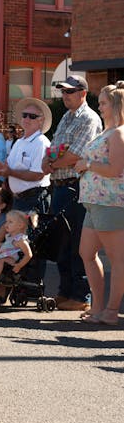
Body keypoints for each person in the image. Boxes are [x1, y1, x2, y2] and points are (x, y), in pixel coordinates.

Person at [42, 75, 102, 312]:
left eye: (70, 91)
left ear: (83, 93)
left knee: (78, 242)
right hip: (60, 186)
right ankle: (66, 292)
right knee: (62, 243)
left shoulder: (89, 118)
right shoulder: (66, 117)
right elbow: (54, 149)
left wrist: (52, 163)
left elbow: (75, 155)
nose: (65, 96)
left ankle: (80, 295)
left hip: (76, 187)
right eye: (63, 92)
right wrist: (49, 160)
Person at [74, 81, 124, 326]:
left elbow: (115, 169)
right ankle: (98, 307)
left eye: (103, 103)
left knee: (117, 259)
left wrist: (88, 165)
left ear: (115, 105)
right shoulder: (108, 132)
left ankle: (112, 310)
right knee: (87, 252)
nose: (100, 106)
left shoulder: (118, 134)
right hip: (94, 202)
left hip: (111, 203)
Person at [0, 97, 51, 213]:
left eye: (32, 116)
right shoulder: (19, 142)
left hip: (33, 199)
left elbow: (38, 175)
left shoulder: (41, 142)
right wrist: (3, 169)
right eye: (25, 115)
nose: (27, 118)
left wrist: (9, 172)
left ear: (41, 120)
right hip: (20, 199)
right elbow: (10, 165)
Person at [0, 209, 36, 289]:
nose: (6, 224)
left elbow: (29, 255)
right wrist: (1, 246)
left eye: (10, 222)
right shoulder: (9, 236)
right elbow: (9, 248)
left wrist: (19, 265)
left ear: (20, 226)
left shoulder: (21, 240)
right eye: (6, 221)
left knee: (0, 261)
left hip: (13, 260)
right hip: (5, 257)